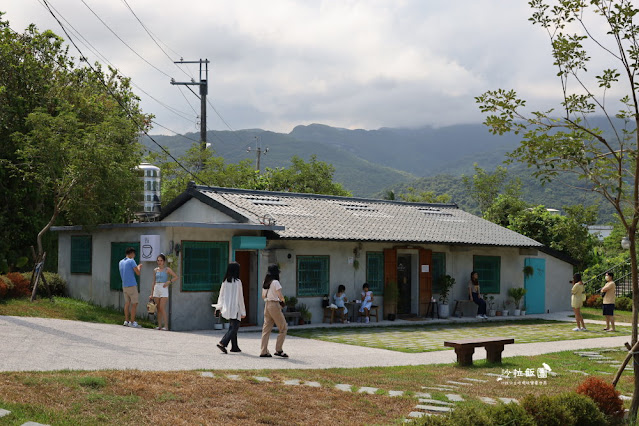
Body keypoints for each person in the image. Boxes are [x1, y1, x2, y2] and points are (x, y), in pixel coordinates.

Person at [214, 262, 246, 354]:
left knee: (233, 326)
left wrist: (219, 307)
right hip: (236, 309)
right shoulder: (238, 282)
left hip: (227, 308)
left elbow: (221, 296)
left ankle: (235, 347)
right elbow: (240, 298)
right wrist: (243, 312)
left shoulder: (225, 282)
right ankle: (223, 343)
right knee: (234, 328)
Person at [260, 264, 288, 358]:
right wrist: (283, 302)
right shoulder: (275, 282)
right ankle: (279, 350)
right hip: (274, 305)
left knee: (266, 329)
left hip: (267, 304)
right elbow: (280, 295)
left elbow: (263, 296)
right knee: (283, 327)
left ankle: (263, 351)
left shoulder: (265, 282)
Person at [149, 254, 178, 331]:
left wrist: (169, 281)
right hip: (156, 288)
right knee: (158, 308)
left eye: (161, 260)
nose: (159, 262)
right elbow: (153, 281)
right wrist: (151, 293)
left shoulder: (167, 269)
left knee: (162, 307)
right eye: (158, 260)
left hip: (164, 287)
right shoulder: (155, 270)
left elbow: (176, 277)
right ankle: (159, 326)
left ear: (164, 261)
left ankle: (166, 326)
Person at [118, 247, 142, 328]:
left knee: (127, 303)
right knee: (134, 303)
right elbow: (138, 272)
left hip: (124, 285)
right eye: (134, 254)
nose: (134, 255)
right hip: (132, 285)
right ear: (131, 253)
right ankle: (132, 321)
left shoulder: (121, 262)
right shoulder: (132, 261)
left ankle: (126, 320)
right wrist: (139, 267)